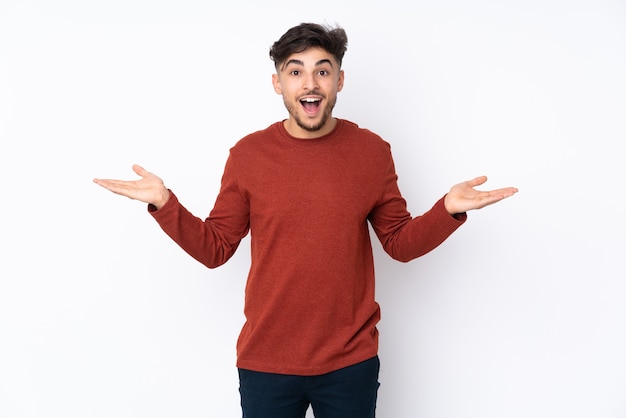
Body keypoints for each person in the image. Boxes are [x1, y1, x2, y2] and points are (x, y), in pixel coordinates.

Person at [94, 22, 517, 418]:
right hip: (267, 362)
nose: (310, 83)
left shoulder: (371, 152)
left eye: (322, 70)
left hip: (350, 363)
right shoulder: (248, 156)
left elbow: (399, 242)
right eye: (295, 72)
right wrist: (165, 204)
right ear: (278, 83)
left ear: (339, 81)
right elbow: (216, 248)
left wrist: (447, 210)